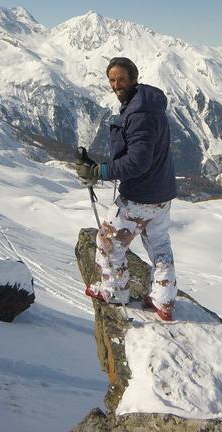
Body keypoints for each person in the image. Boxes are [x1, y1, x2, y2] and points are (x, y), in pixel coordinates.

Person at [75, 56, 178, 321]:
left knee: (107, 242)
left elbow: (138, 161)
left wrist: (102, 172)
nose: (116, 84)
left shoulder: (139, 114)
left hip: (140, 196)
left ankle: (114, 290)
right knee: (159, 245)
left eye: (121, 79)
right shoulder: (147, 104)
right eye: (112, 80)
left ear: (133, 78)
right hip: (162, 193)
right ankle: (164, 300)